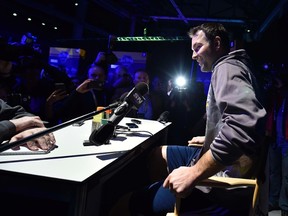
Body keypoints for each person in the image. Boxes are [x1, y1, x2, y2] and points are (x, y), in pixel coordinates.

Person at [109, 23, 267, 216]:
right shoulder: (233, 66)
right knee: (157, 156)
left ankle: (167, 202)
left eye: (198, 47)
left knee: (121, 205)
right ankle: (163, 201)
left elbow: (243, 124)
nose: (193, 55)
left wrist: (193, 173)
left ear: (217, 43)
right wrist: (213, 134)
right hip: (224, 161)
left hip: (221, 186)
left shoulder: (226, 68)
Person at [265, 71, 288, 215]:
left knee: (287, 175)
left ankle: (285, 206)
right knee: (274, 173)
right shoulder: (276, 98)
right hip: (275, 138)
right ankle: (274, 201)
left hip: (286, 140)